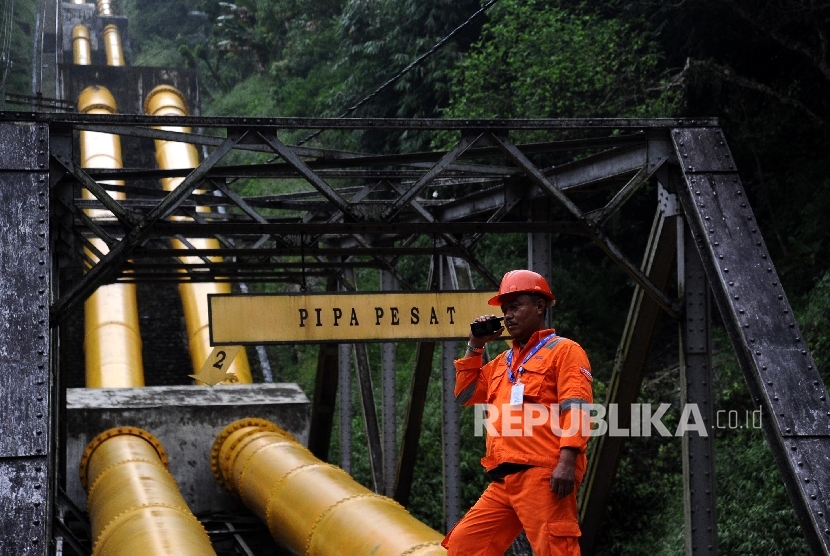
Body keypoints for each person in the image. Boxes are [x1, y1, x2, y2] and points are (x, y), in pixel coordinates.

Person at [441, 269, 593, 556]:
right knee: (465, 546)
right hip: (504, 479)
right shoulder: (503, 362)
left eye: (515, 306)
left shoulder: (565, 351)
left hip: (544, 473)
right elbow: (466, 394)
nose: (508, 315)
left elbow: (578, 407)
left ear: (539, 306)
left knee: (554, 549)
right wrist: (475, 346)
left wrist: (567, 460)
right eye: (505, 309)